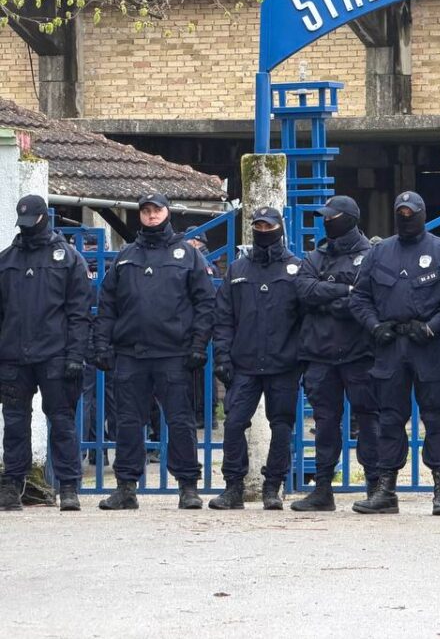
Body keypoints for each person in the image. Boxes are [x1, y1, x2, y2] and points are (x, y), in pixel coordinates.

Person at [92, 193, 216, 510]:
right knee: (128, 422)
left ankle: (188, 487)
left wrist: (199, 344)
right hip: (130, 353)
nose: (150, 216)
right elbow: (107, 305)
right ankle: (126, 488)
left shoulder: (188, 254)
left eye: (156, 210)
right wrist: (102, 345)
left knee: (180, 421)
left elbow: (205, 304)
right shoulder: (125, 257)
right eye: (145, 211)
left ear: (167, 213)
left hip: (173, 353)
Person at [349, 191, 440, 515]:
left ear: (423, 213)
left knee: (436, 421)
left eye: (412, 212)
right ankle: (386, 490)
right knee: (390, 421)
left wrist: (432, 326)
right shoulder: (379, 253)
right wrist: (373, 326)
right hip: (390, 347)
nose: (406, 216)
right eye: (401, 212)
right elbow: (359, 298)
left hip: (428, 346)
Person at [0, 195, 92, 512]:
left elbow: (80, 314)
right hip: (13, 357)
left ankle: (68, 487)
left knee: (62, 422)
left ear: (43, 218)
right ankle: (12, 485)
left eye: (31, 223)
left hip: (55, 355)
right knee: (14, 424)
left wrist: (76, 355)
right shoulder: (6, 261)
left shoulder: (68, 259)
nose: (26, 230)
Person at [208, 207, 304, 511]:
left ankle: (272, 487)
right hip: (244, 363)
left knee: (282, 426)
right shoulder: (237, 270)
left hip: (283, 364)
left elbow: (305, 319)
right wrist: (223, 356)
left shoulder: (296, 268)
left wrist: (299, 357)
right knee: (234, 423)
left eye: (268, 225)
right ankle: (233, 487)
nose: (263, 230)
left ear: (279, 228)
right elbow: (223, 317)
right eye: (258, 225)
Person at [291, 195, 380, 511]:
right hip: (319, 353)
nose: (327, 222)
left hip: (359, 353)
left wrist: (328, 297)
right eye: (325, 217)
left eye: (333, 217)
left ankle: (375, 487)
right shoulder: (316, 256)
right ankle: (323, 490)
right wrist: (344, 291)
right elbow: (303, 290)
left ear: (350, 219)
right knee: (325, 424)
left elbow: (365, 300)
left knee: (369, 421)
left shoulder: (370, 255)